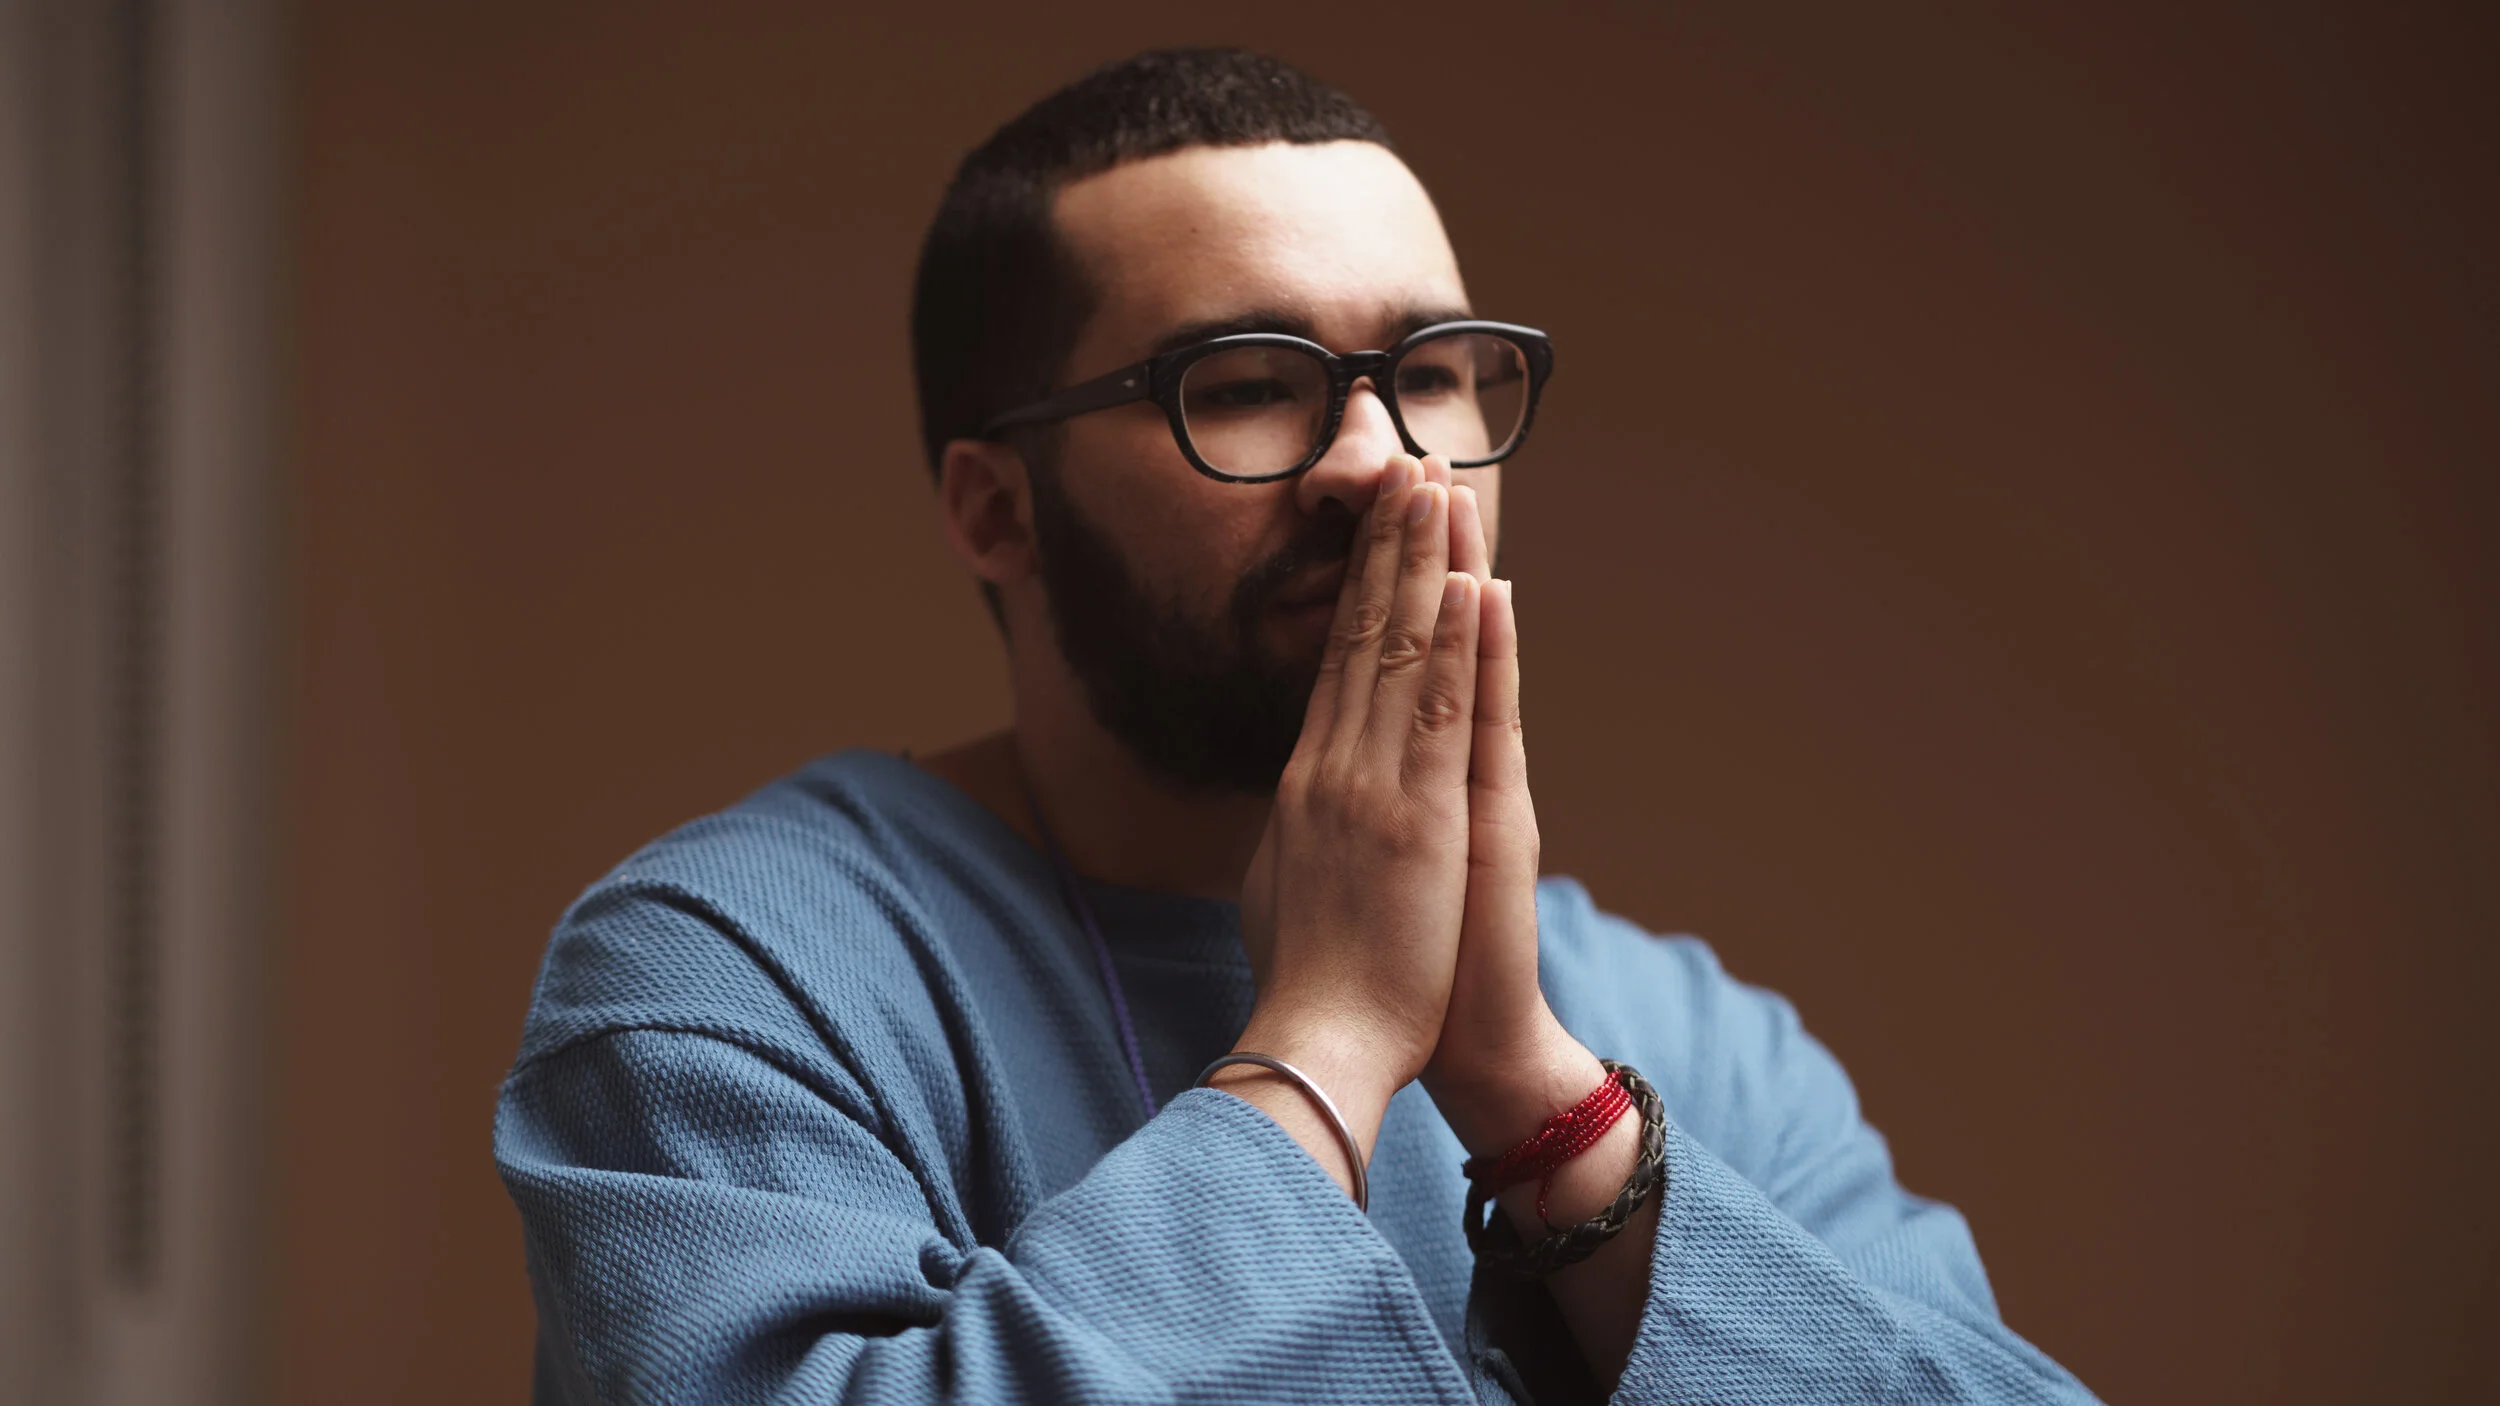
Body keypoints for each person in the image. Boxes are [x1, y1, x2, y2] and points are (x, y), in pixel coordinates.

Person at [493, 48, 2099, 1405]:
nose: (1383, 461)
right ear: (998, 510)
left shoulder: (1681, 1031)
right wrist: (1327, 1037)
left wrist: (1537, 1102)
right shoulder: (725, 974)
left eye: (1436, 370)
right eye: (1249, 381)